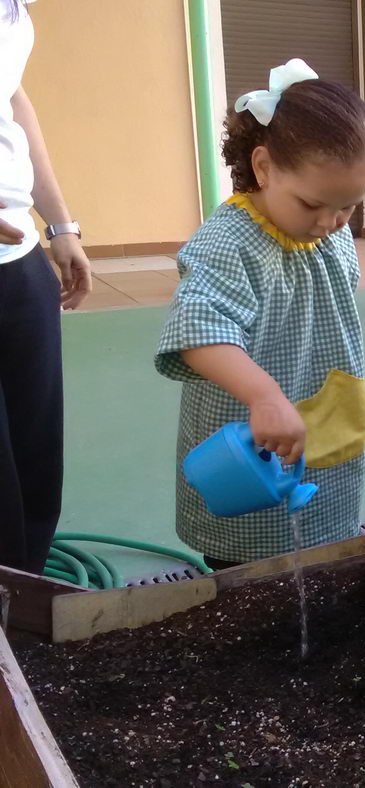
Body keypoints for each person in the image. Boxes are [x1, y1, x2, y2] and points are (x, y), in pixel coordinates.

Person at [155, 59, 365, 570]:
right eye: (312, 204)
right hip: (247, 436)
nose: (330, 222)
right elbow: (198, 329)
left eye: (349, 206)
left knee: (323, 545)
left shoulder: (331, 233)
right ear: (263, 168)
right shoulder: (227, 242)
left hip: (322, 419)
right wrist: (265, 396)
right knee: (248, 567)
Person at [0, 0, 92, 574]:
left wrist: (60, 225)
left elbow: (12, 93)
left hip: (19, 255)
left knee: (34, 459)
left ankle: (25, 599)